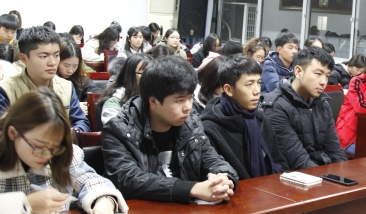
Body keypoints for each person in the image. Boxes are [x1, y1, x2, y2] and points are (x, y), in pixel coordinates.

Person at [0, 88, 128, 214]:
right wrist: (26, 204)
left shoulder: (60, 152)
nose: (47, 155)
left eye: (54, 148)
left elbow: (88, 179)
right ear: (12, 133)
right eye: (39, 147)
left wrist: (104, 200)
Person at [102, 56, 238, 204]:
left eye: (191, 98)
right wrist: (191, 189)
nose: (188, 107)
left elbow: (213, 159)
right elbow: (128, 179)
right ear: (153, 101)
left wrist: (223, 178)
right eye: (179, 100)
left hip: (188, 212)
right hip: (145, 213)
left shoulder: (191, 123)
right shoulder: (119, 130)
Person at [201, 54, 288, 179]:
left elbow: (279, 161)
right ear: (228, 89)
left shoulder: (261, 120)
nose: (257, 91)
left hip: (269, 186)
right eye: (249, 84)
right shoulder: (210, 128)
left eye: (259, 82)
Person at [0, 26, 90, 133]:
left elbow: (81, 122)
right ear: (24, 58)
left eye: (56, 55)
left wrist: (73, 133)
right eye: (43, 56)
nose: (52, 62)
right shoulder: (4, 90)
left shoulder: (66, 87)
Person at [263, 47, 347, 170]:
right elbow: (297, 160)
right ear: (298, 72)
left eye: (327, 76)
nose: (324, 82)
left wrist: (345, 173)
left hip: (321, 171)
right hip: (295, 176)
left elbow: (335, 150)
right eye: (318, 74)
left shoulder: (322, 103)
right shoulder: (276, 107)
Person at [98, 54, 154, 126]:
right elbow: (116, 128)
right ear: (130, 76)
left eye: (152, 74)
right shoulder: (115, 101)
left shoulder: (155, 99)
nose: (149, 78)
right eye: (144, 73)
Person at [56, 39, 101, 113]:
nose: (70, 70)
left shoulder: (80, 78)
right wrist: (74, 106)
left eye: (75, 66)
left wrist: (88, 103)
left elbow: (96, 92)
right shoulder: (50, 80)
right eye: (66, 65)